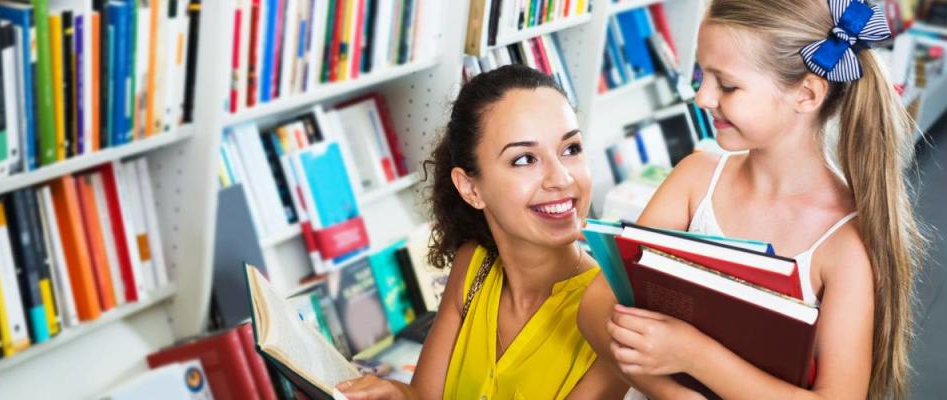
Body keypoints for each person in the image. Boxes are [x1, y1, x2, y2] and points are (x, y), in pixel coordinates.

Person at [578, 0, 925, 399]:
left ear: (807, 94)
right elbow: (594, 309)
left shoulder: (845, 244)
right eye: (700, 76)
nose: (703, 97)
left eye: (726, 85)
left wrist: (694, 355)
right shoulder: (694, 180)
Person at [337, 65, 629, 399]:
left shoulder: (611, 314)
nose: (562, 178)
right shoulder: (474, 265)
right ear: (471, 188)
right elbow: (425, 395)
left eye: (571, 149)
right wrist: (394, 394)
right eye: (524, 160)